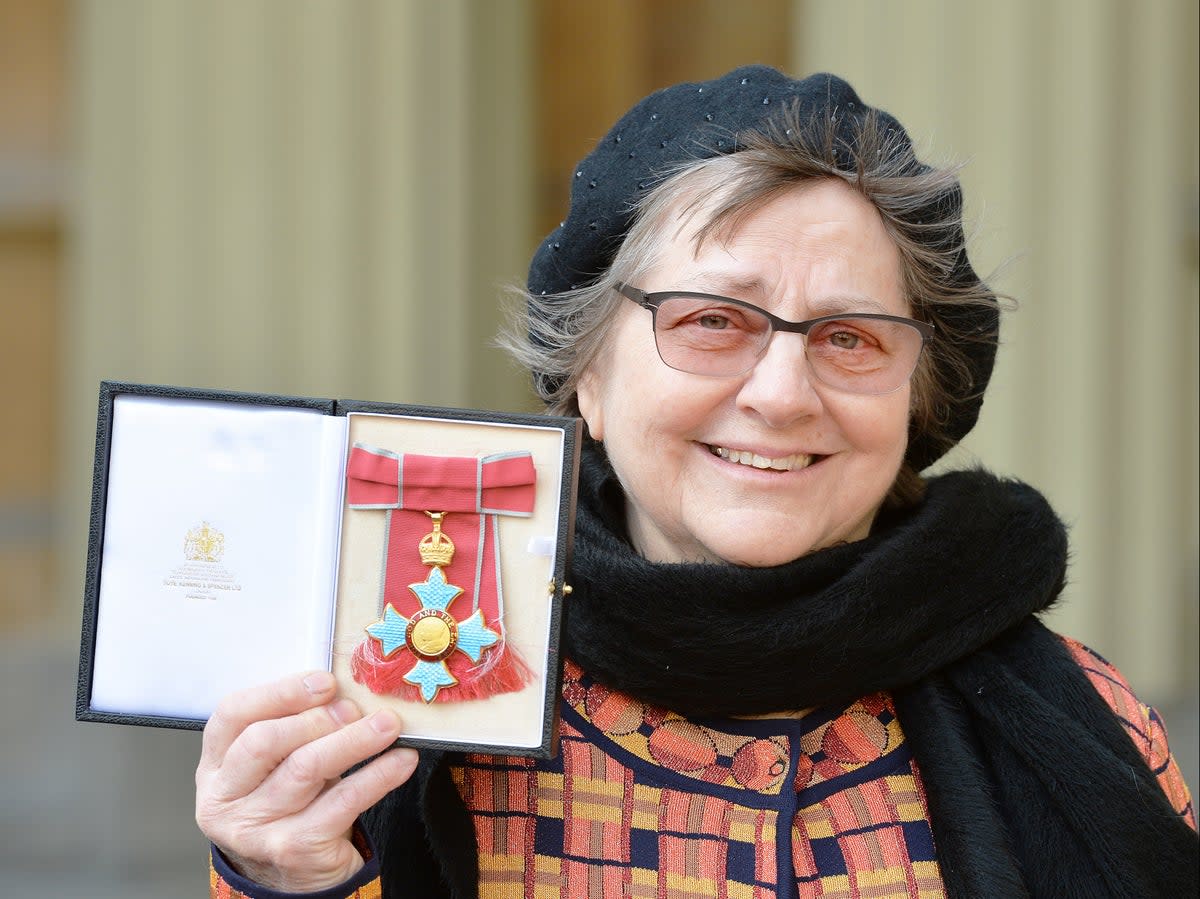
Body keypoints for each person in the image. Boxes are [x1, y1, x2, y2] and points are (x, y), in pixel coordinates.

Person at [197, 66, 1197, 899]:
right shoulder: (396, 715)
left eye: (849, 338)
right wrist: (284, 874)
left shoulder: (1085, 719)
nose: (780, 393)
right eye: (713, 319)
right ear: (586, 372)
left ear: (915, 399)